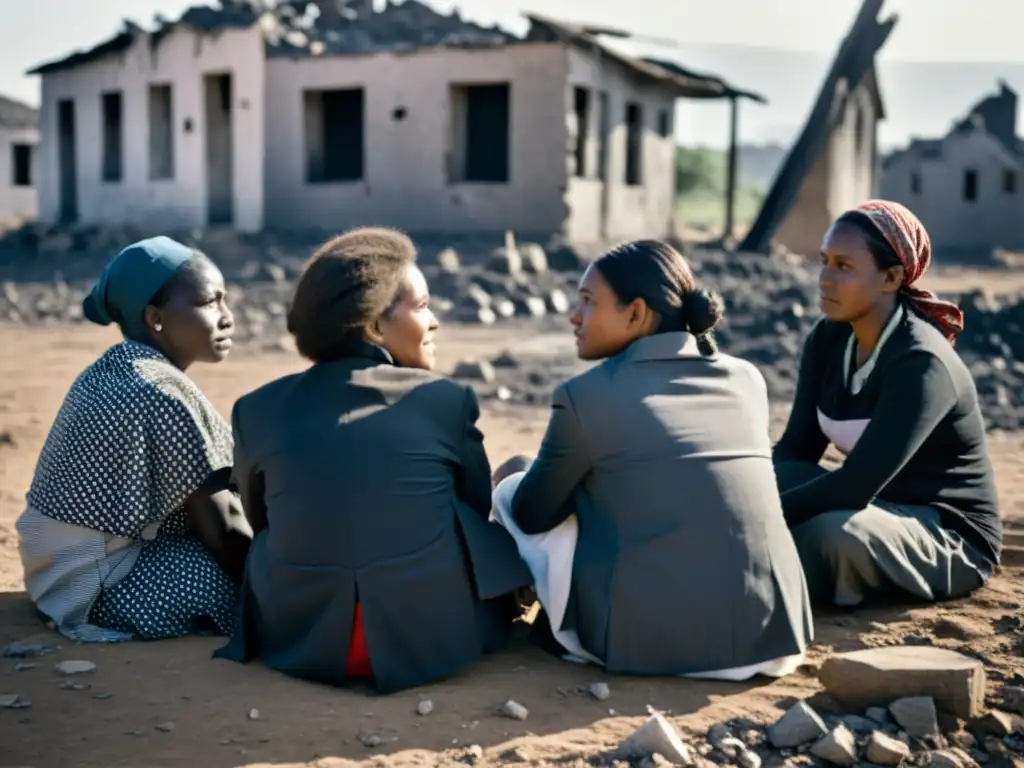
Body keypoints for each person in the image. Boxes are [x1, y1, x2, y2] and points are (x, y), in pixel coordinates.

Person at [215, 227, 531, 693]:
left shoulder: (256, 409)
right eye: (423, 307)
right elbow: (474, 503)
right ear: (375, 327)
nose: (436, 321)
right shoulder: (445, 401)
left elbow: (262, 520)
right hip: (434, 635)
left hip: (301, 638)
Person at [492, 239, 813, 679]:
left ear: (636, 314)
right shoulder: (747, 379)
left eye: (588, 302)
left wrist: (512, 481)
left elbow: (531, 515)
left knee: (516, 477)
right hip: (770, 641)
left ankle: (519, 612)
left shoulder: (585, 396)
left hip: (655, 646)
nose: (574, 316)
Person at [16, 236, 251, 643]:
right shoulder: (161, 391)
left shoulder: (116, 367)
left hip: (52, 571)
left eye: (225, 300)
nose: (227, 317)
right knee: (236, 574)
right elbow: (224, 529)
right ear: (155, 318)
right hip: (96, 586)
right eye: (209, 302)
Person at [773, 200, 1001, 606]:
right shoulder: (828, 339)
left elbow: (854, 484)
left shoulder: (920, 362)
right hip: (873, 506)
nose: (824, 279)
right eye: (824, 262)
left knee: (832, 536)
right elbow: (796, 450)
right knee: (770, 479)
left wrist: (761, 517)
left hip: (944, 531)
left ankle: (763, 572)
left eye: (844, 266)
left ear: (891, 277)